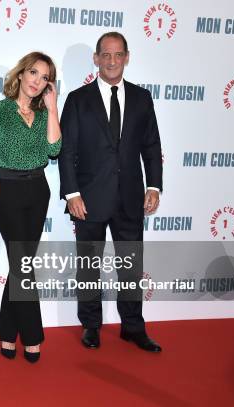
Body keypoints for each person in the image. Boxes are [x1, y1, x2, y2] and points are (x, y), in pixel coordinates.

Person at [58, 32, 163, 352]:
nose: (112, 61)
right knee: (88, 265)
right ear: (96, 58)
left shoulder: (142, 98)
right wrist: (71, 193)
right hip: (88, 199)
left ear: (127, 57)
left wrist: (154, 185)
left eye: (118, 55)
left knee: (131, 265)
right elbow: (66, 150)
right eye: (106, 54)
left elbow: (151, 145)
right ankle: (90, 325)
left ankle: (133, 326)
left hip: (131, 197)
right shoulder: (78, 98)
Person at [0, 52, 62, 363]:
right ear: (21, 73)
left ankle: (6, 333)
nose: (36, 81)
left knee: (21, 265)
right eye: (32, 73)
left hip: (38, 190)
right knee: (24, 265)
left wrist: (53, 108)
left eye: (43, 77)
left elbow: (54, 149)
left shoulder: (43, 114)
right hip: (8, 190)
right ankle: (32, 336)